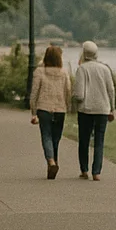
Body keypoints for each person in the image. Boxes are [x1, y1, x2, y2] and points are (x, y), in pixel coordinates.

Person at [71, 41, 115, 180]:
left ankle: (84, 170)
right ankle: (97, 172)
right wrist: (112, 109)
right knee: (99, 140)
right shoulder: (105, 69)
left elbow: (79, 94)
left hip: (86, 109)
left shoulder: (82, 69)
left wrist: (73, 98)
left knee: (84, 140)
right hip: (102, 109)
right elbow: (111, 90)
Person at [28, 46, 72, 180]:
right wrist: (67, 106)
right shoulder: (64, 73)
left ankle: (51, 162)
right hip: (60, 109)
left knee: (46, 136)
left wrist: (33, 111)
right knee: (56, 139)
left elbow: (34, 92)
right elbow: (68, 91)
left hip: (44, 108)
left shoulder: (39, 71)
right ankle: (53, 164)